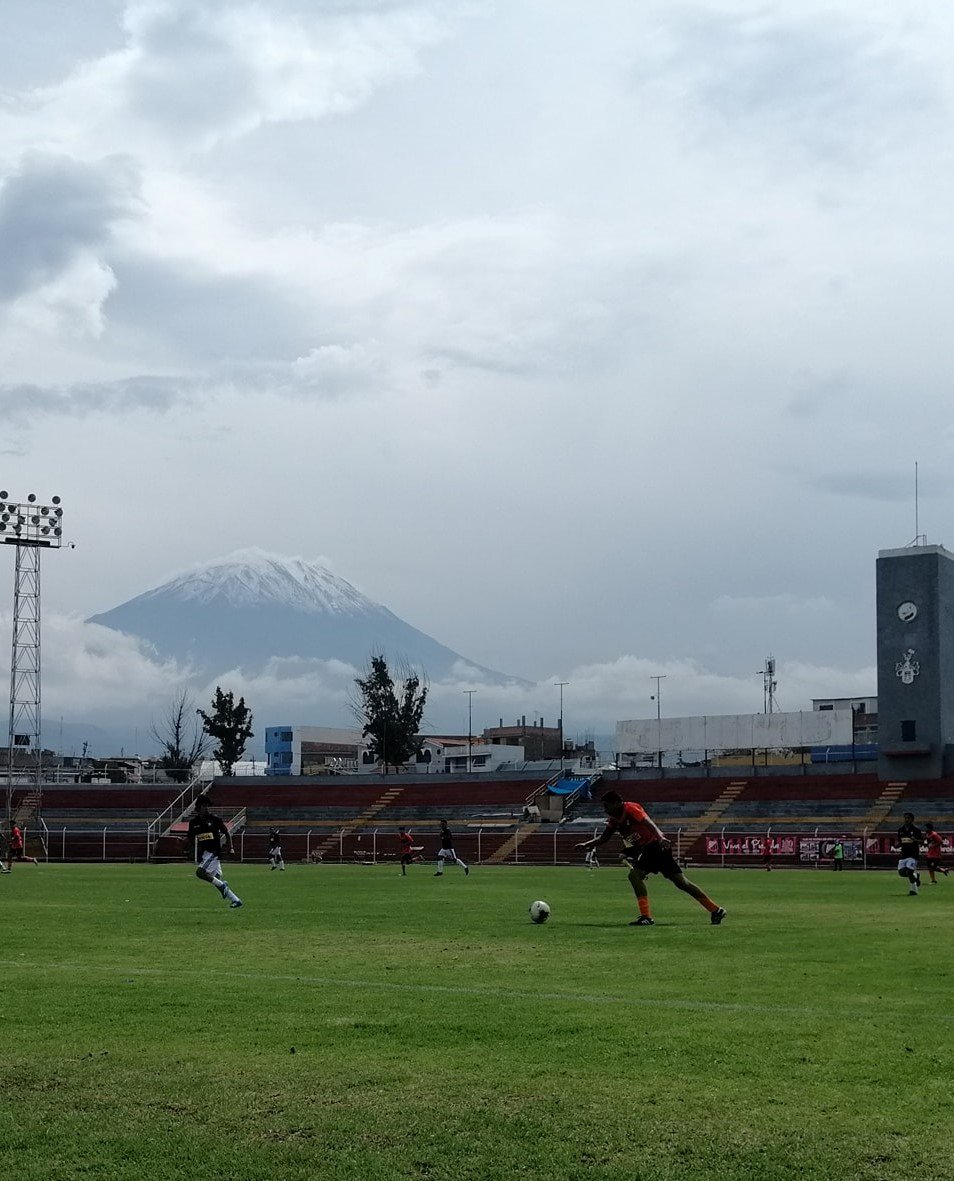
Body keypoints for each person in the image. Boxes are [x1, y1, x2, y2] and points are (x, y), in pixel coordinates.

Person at [575, 790, 726, 926]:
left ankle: (646, 917)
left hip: (655, 846)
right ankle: (715, 910)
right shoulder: (614, 820)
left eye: (607, 806)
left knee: (635, 876)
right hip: (650, 849)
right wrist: (586, 844)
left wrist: (660, 837)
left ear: (617, 803)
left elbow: (649, 822)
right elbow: (603, 838)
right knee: (682, 883)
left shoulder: (631, 809)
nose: (605, 810)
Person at [184, 795, 243, 908]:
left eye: (207, 806)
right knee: (216, 879)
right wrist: (185, 846)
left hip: (214, 852)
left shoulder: (215, 820)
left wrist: (231, 848)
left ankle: (223, 887)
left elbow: (226, 833)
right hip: (204, 854)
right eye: (204, 806)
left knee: (200, 873)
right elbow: (190, 838)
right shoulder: (194, 823)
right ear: (198, 807)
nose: (206, 808)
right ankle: (236, 900)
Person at [893, 812, 922, 896]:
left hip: (913, 855)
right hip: (904, 855)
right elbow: (901, 842)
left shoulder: (916, 830)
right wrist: (897, 846)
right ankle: (916, 876)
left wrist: (915, 840)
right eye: (905, 818)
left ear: (912, 819)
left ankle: (914, 890)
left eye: (908, 818)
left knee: (909, 872)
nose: (906, 819)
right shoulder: (901, 830)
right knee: (901, 873)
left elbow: (922, 841)